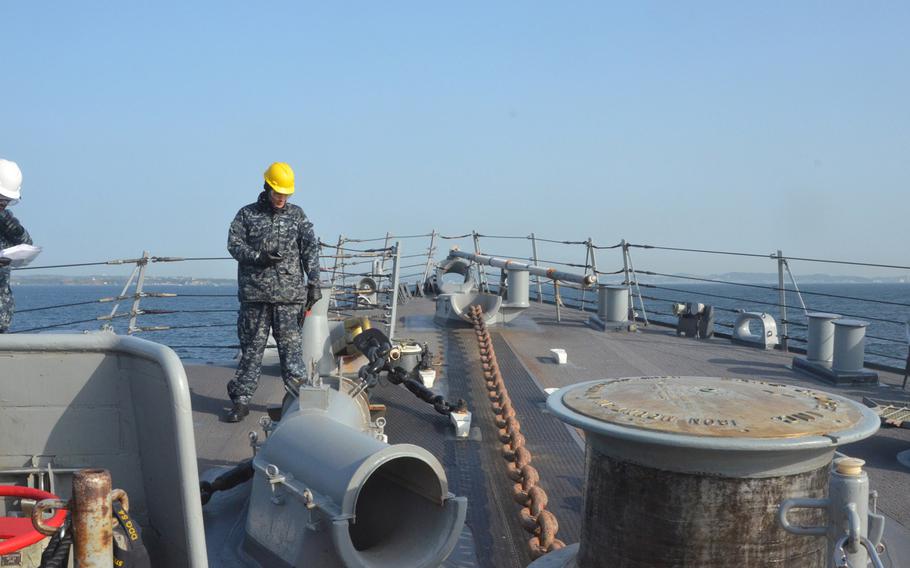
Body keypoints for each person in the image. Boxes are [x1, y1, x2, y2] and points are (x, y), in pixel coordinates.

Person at [224, 162, 321, 422]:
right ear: (267, 187)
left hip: (288, 298)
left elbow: (310, 249)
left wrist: (314, 282)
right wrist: (258, 256)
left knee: (291, 353)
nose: (282, 198)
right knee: (252, 352)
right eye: (278, 193)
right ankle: (241, 401)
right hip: (255, 296)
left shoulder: (297, 215)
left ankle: (300, 402)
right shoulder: (247, 214)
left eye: (286, 194)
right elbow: (233, 245)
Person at [0, 159, 32, 333]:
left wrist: (7, 220)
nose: (3, 205)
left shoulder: (4, 218)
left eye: (6, 201)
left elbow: (26, 243)